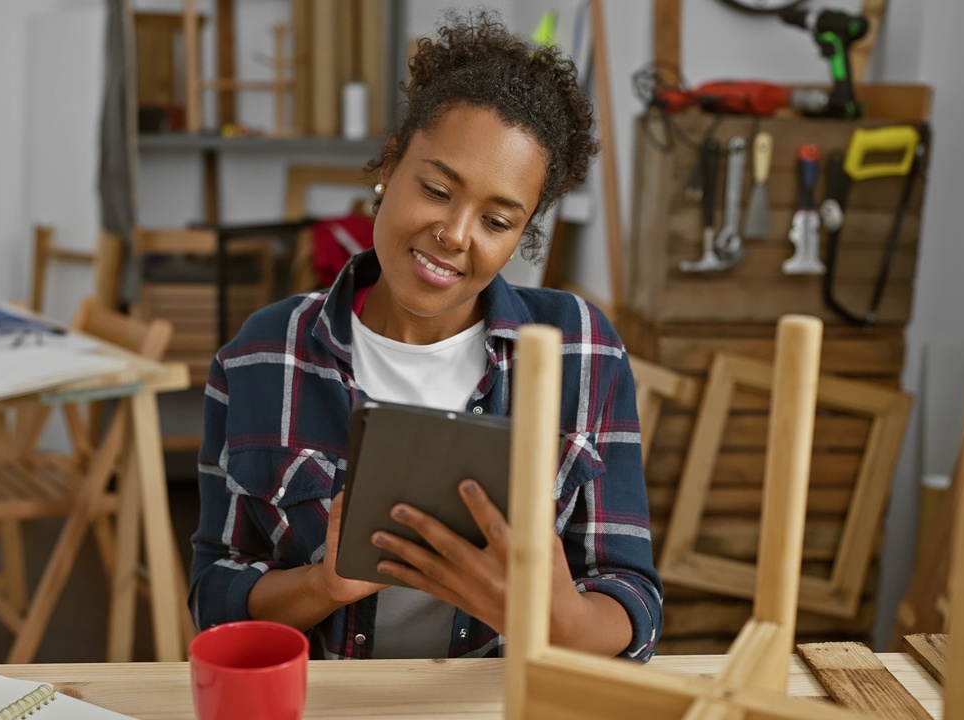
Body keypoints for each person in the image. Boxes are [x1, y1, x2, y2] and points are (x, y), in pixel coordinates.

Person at [189, 9, 662, 661]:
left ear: (520, 234)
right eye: (438, 189)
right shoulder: (262, 355)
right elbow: (215, 597)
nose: (456, 233)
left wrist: (556, 618)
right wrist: (320, 586)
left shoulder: (580, 348)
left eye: (497, 221)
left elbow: (633, 598)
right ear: (389, 166)